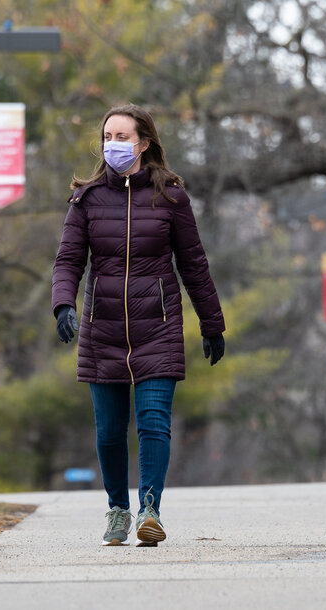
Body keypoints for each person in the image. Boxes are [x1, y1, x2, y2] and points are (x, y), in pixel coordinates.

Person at [51, 103, 226, 547]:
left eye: (123, 138)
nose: (113, 145)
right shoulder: (86, 199)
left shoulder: (171, 198)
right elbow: (69, 260)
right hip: (102, 329)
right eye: (108, 137)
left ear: (144, 143)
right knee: (109, 431)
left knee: (153, 421)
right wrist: (62, 305)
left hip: (158, 327)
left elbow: (194, 265)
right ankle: (117, 510)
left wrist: (211, 323)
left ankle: (150, 509)